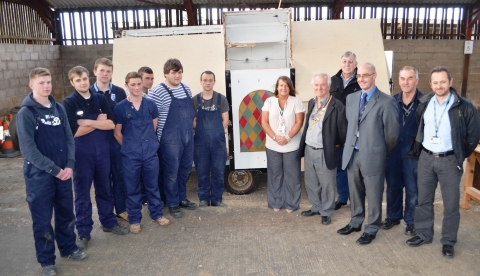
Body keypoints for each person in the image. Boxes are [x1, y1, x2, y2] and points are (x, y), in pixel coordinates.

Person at [17, 68, 86, 276]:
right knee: (43, 219)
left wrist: (70, 164)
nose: (46, 86)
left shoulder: (58, 109)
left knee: (66, 213)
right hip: (40, 176)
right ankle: (47, 261)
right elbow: (28, 150)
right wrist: (55, 170)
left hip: (63, 172)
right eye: (41, 83)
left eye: (48, 82)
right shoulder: (26, 113)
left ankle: (68, 248)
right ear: (32, 85)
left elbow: (69, 138)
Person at [405, 66, 480, 258]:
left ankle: (448, 241)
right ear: (430, 84)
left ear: (450, 82)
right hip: (426, 158)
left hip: (449, 160)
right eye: (435, 82)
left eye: (443, 82)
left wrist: (459, 155)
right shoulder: (424, 103)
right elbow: (419, 128)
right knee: (423, 200)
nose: (439, 86)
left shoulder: (464, 106)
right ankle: (423, 233)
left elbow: (473, 136)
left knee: (451, 204)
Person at [63, 66, 128, 250]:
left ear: (88, 77)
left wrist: (89, 122)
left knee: (105, 189)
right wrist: (99, 122)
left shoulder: (100, 98)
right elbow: (74, 131)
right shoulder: (69, 103)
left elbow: (111, 124)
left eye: (84, 78)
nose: (83, 83)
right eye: (78, 80)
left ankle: (108, 223)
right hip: (82, 155)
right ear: (72, 82)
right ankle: (83, 232)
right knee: (82, 193)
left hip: (102, 152)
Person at [337, 62, 400, 245]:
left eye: (366, 75)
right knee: (355, 191)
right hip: (352, 154)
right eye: (359, 76)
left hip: (373, 155)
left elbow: (392, 134)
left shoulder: (386, 102)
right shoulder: (352, 98)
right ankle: (356, 222)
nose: (362, 79)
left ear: (374, 75)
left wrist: (380, 151)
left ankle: (372, 228)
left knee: (373, 194)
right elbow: (351, 125)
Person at [114, 72, 170, 233]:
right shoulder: (120, 108)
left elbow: (154, 127)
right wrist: (130, 147)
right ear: (127, 86)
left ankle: (157, 214)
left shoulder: (151, 105)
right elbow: (117, 132)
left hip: (150, 154)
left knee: (152, 185)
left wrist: (147, 145)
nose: (137, 87)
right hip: (130, 156)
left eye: (139, 84)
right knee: (132, 187)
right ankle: (134, 219)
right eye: (133, 84)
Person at [149, 58, 197, 218]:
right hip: (169, 140)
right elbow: (151, 120)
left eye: (180, 72)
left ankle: (181, 198)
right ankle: (172, 203)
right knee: (171, 172)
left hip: (187, 136)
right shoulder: (157, 92)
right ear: (165, 74)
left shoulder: (186, 89)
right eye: (174, 72)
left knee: (184, 170)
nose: (177, 76)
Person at [299, 72, 347, 224]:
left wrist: (332, 146)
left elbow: (343, 133)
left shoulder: (337, 106)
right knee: (311, 181)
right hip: (309, 149)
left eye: (323, 85)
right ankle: (316, 207)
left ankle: (326, 211)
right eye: (317, 85)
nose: (320, 88)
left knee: (327, 184)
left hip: (325, 151)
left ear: (329, 86)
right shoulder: (312, 103)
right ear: (313, 87)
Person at [382, 66, 423, 235]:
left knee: (413, 189)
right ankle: (393, 216)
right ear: (398, 80)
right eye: (403, 79)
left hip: (414, 153)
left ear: (416, 81)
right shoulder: (391, 102)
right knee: (393, 186)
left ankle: (411, 221)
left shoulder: (425, 102)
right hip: (393, 151)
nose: (406, 82)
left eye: (410, 78)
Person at [89, 58, 128, 222]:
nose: (105, 74)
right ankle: (106, 213)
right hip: (97, 143)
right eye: (102, 70)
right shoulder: (88, 93)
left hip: (115, 140)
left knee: (119, 175)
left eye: (108, 71)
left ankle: (121, 209)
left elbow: (123, 119)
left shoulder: (119, 92)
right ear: (95, 71)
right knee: (103, 180)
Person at [261, 76, 305, 213]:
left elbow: (299, 122)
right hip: (273, 145)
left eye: (286, 85)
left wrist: (287, 137)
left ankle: (291, 204)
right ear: (277, 87)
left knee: (292, 176)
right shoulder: (269, 101)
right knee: (275, 175)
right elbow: (264, 122)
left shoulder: (296, 101)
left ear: (290, 87)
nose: (283, 88)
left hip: (291, 145)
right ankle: (275, 202)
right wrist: (275, 137)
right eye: (281, 85)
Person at [192, 71, 229, 207]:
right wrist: (202, 130)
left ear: (214, 81)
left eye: (210, 80)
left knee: (219, 171)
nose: (208, 83)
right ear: (201, 81)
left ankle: (217, 199)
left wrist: (217, 131)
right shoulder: (195, 100)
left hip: (218, 142)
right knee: (202, 171)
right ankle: (203, 199)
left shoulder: (221, 99)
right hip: (200, 142)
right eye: (205, 80)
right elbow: (193, 121)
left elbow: (226, 119)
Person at [330, 51, 361, 211]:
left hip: (355, 131)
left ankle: (356, 198)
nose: (347, 64)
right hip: (338, 131)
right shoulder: (333, 81)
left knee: (355, 167)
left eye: (350, 61)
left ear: (355, 64)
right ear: (340, 63)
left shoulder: (360, 80)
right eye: (344, 61)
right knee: (340, 166)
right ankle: (343, 197)